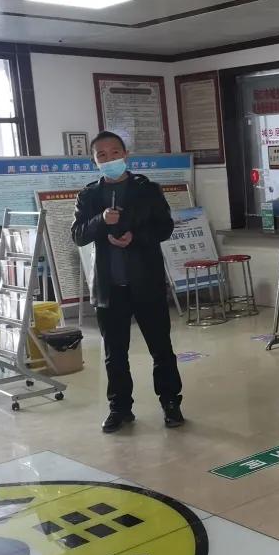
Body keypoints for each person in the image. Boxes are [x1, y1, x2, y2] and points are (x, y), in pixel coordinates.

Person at [71, 131, 183, 434]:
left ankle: (171, 403)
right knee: (115, 353)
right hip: (110, 287)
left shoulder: (147, 189)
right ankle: (119, 408)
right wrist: (100, 220)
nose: (109, 159)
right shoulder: (88, 195)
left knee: (161, 348)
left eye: (115, 153)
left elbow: (165, 228)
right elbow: (78, 234)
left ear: (125, 155)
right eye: (102, 155)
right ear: (94, 161)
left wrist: (136, 237)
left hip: (146, 282)